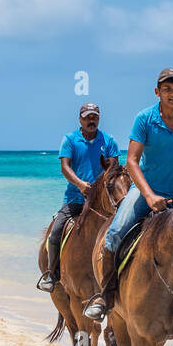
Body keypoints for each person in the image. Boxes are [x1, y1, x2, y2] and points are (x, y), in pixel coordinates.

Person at [83, 69, 173, 332]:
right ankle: (106, 295)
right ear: (157, 92)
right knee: (115, 233)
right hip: (146, 188)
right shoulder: (145, 119)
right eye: (167, 89)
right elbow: (132, 161)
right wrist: (148, 195)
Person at [37, 102, 120, 292]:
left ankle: (120, 276)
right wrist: (80, 184)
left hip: (103, 204)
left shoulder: (109, 141)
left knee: (123, 230)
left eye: (95, 117)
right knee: (56, 230)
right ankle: (51, 273)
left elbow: (113, 169)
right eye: (88, 117)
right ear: (80, 119)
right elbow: (65, 167)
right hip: (75, 199)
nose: (92, 120)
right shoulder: (70, 140)